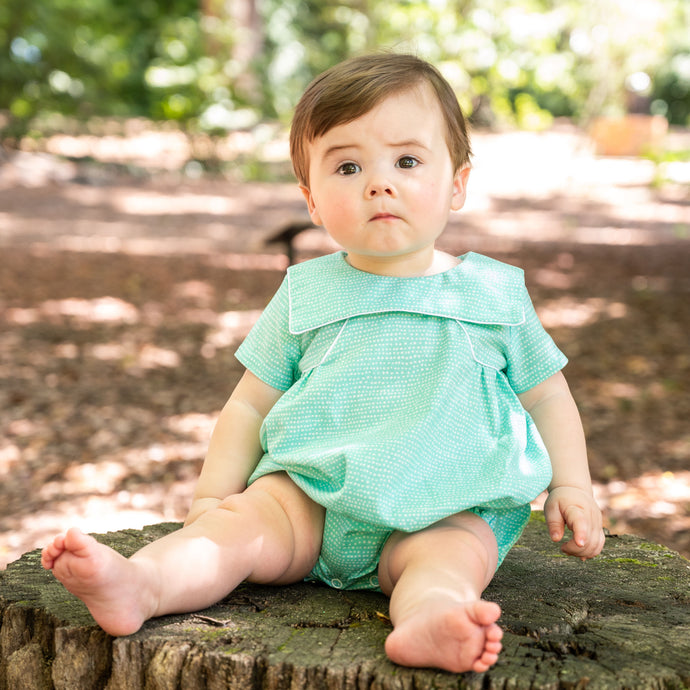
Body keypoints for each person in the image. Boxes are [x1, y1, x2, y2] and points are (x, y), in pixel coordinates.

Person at [42, 53, 605, 674]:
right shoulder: (306, 291)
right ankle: (142, 584)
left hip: (444, 505)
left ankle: (429, 620)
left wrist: (571, 484)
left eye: (407, 160)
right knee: (231, 531)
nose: (378, 182)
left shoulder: (493, 295)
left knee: (449, 560)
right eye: (347, 165)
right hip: (306, 497)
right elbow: (249, 403)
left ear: (457, 184)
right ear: (311, 200)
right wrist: (212, 495)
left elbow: (547, 395)